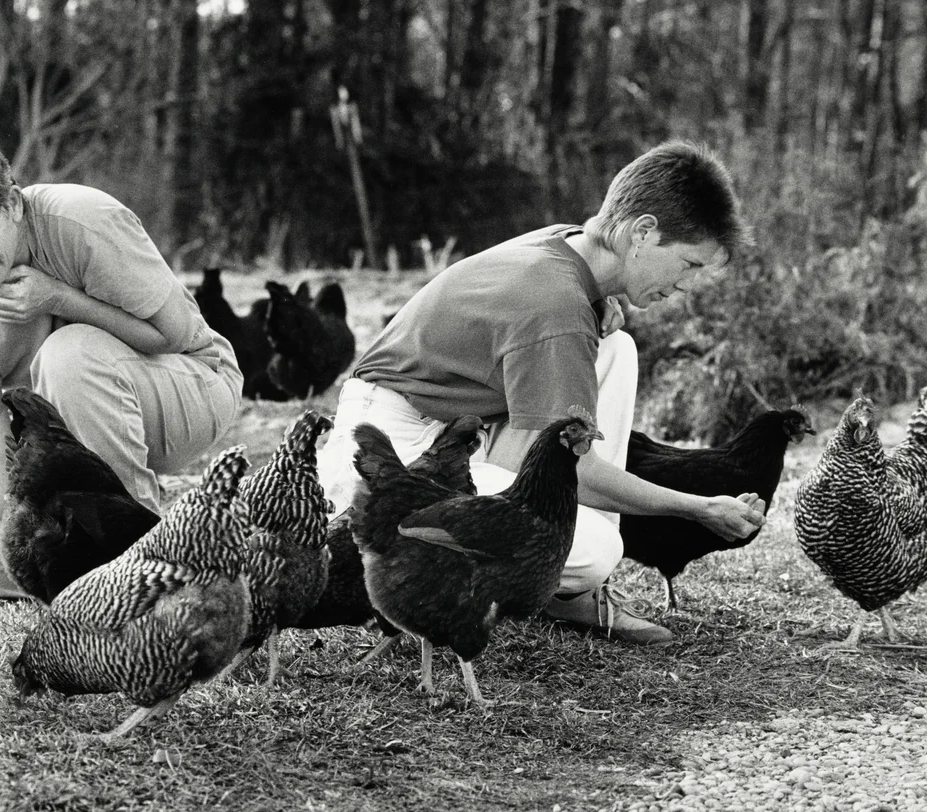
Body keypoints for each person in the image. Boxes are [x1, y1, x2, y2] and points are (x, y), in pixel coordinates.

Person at [318, 140, 766, 645]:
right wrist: (698, 508)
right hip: (393, 451)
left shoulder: (568, 248)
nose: (688, 287)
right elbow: (578, 470)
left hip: (454, 431)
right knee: (596, 550)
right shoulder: (557, 306)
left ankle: (565, 594)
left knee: (616, 348)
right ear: (642, 233)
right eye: (689, 264)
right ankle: (383, 554)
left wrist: (599, 306)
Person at [0, 119, 243, 598]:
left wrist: (59, 299)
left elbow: (172, 335)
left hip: (189, 384)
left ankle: (143, 557)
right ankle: (82, 568)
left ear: (10, 203)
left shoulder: (82, 221)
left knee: (67, 358)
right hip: (60, 437)